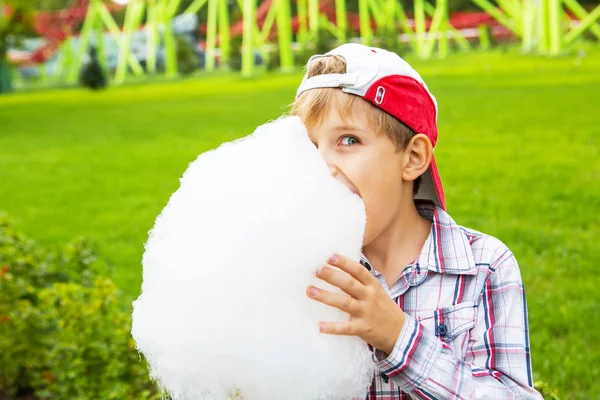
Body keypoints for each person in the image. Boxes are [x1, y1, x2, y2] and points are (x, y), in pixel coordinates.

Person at [293, 43, 542, 399]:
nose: (322, 168)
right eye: (309, 146)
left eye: (349, 140)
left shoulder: (484, 266)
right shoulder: (307, 268)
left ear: (412, 158)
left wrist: (398, 337)